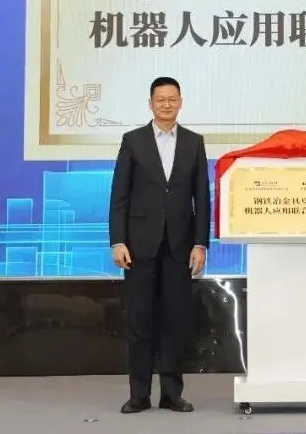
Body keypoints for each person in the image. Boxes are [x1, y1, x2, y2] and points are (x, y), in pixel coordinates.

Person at [109, 77, 211, 414]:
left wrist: (200, 243)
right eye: (160, 99)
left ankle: (171, 394)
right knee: (140, 323)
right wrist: (118, 240)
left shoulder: (194, 142)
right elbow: (119, 195)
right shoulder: (133, 141)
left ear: (180, 102)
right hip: (138, 247)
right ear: (151, 103)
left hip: (180, 247)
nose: (166, 104)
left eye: (172, 99)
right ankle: (139, 394)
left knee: (174, 323)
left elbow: (202, 198)